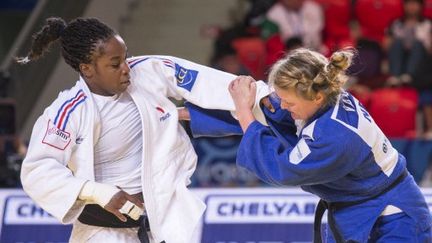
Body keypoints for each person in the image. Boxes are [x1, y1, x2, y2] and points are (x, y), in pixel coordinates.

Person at [18, 17, 269, 243]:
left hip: (164, 221)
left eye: (125, 57)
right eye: (115, 64)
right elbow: (38, 171)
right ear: (87, 69)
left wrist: (267, 98)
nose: (126, 68)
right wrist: (99, 192)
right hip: (103, 231)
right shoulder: (68, 111)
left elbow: (207, 83)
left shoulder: (150, 70)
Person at [184, 48, 432, 242]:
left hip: (392, 216)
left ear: (316, 97)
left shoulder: (336, 135)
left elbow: (281, 168)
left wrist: (242, 107)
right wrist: (180, 114)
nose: (283, 106)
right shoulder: (319, 99)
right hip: (355, 207)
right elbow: (267, 115)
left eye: (288, 102)